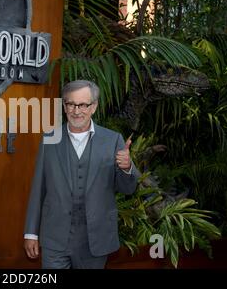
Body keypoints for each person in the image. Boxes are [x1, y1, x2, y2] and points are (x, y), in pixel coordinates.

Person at [23, 80, 140, 269]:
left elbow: (128, 188)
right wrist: (31, 233)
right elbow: (38, 188)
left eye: (83, 105)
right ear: (64, 105)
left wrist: (127, 168)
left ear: (94, 107)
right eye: (71, 104)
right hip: (55, 238)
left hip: (95, 239)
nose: (76, 111)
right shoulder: (50, 139)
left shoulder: (113, 140)